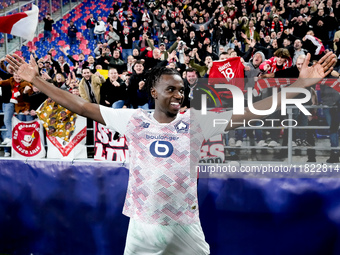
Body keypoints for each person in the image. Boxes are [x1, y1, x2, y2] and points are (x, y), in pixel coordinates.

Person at [6, 51, 336, 254]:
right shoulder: (132, 120)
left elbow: (252, 111)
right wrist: (37, 81)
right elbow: (79, 104)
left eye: (181, 89)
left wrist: (298, 87)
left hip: (185, 225)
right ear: (153, 92)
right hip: (143, 226)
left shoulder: (197, 122)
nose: (178, 94)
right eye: (170, 89)